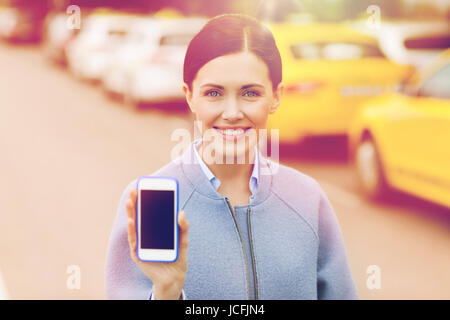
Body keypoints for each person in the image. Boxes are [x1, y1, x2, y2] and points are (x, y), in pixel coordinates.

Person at [105, 13, 358, 300]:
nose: (232, 112)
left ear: (276, 96)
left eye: (250, 93)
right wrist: (166, 292)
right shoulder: (150, 203)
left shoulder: (307, 199)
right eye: (214, 93)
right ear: (190, 96)